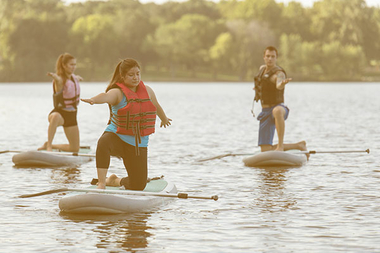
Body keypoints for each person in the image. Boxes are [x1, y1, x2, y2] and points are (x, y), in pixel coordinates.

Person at [81, 58, 172, 190]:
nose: (135, 78)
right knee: (103, 142)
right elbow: (105, 96)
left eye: (137, 74)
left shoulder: (147, 91)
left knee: (138, 185)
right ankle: (101, 183)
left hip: (137, 144)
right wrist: (93, 100)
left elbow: (156, 106)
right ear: (122, 76)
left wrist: (164, 119)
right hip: (117, 136)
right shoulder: (117, 93)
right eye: (131, 75)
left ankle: (114, 180)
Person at [253, 46, 307, 153]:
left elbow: (278, 84)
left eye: (273, 57)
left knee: (276, 110)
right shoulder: (262, 69)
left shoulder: (279, 74)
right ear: (264, 57)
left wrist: (281, 84)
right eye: (268, 56)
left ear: (276, 58)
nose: (270, 59)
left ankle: (280, 146)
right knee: (265, 150)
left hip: (279, 109)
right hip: (265, 112)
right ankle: (299, 145)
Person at [38, 53, 82, 152]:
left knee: (75, 149)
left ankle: (50, 145)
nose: (74, 67)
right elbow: (59, 81)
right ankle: (49, 145)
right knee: (55, 117)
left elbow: (75, 79)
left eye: (75, 64)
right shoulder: (59, 80)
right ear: (64, 65)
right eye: (71, 65)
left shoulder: (74, 78)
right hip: (60, 113)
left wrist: (78, 78)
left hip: (72, 115)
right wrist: (55, 77)